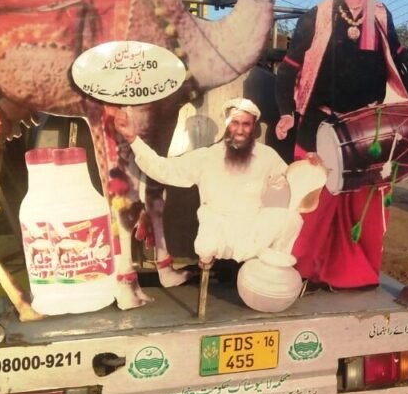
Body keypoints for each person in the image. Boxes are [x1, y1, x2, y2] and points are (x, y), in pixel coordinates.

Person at [275, 0, 408, 289]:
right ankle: (299, 273)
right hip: (317, 125)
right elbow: (289, 67)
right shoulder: (319, 15)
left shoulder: (381, 16)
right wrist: (285, 112)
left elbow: (401, 60)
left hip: (366, 131)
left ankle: (352, 276)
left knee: (363, 209)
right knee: (312, 206)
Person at [114, 98, 303, 285]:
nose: (239, 130)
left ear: (253, 126)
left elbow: (291, 179)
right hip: (216, 230)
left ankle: (270, 282)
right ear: (227, 123)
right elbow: (163, 169)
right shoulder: (207, 157)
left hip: (252, 228)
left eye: (246, 124)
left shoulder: (266, 156)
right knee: (206, 245)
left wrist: (309, 166)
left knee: (291, 220)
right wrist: (133, 139)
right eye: (235, 123)